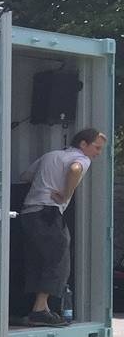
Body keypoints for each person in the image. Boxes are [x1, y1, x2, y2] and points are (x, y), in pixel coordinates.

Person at [18, 128, 106, 326]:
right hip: (48, 213)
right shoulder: (82, 159)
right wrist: (66, 194)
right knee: (59, 259)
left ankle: (38, 308)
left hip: (28, 213)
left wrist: (45, 181)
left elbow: (25, 176)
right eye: (96, 148)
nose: (98, 153)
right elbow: (75, 169)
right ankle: (40, 309)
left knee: (38, 259)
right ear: (83, 144)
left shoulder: (51, 155)